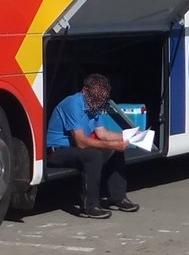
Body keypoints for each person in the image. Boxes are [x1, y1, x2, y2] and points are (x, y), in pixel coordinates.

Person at [45, 72, 139, 219]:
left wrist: (131, 136)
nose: (97, 102)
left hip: (73, 149)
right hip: (56, 151)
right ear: (85, 91)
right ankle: (90, 206)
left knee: (115, 151)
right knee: (93, 155)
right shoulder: (73, 104)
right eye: (95, 98)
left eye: (101, 99)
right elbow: (81, 142)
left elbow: (103, 133)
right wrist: (111, 144)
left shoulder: (93, 104)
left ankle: (118, 198)